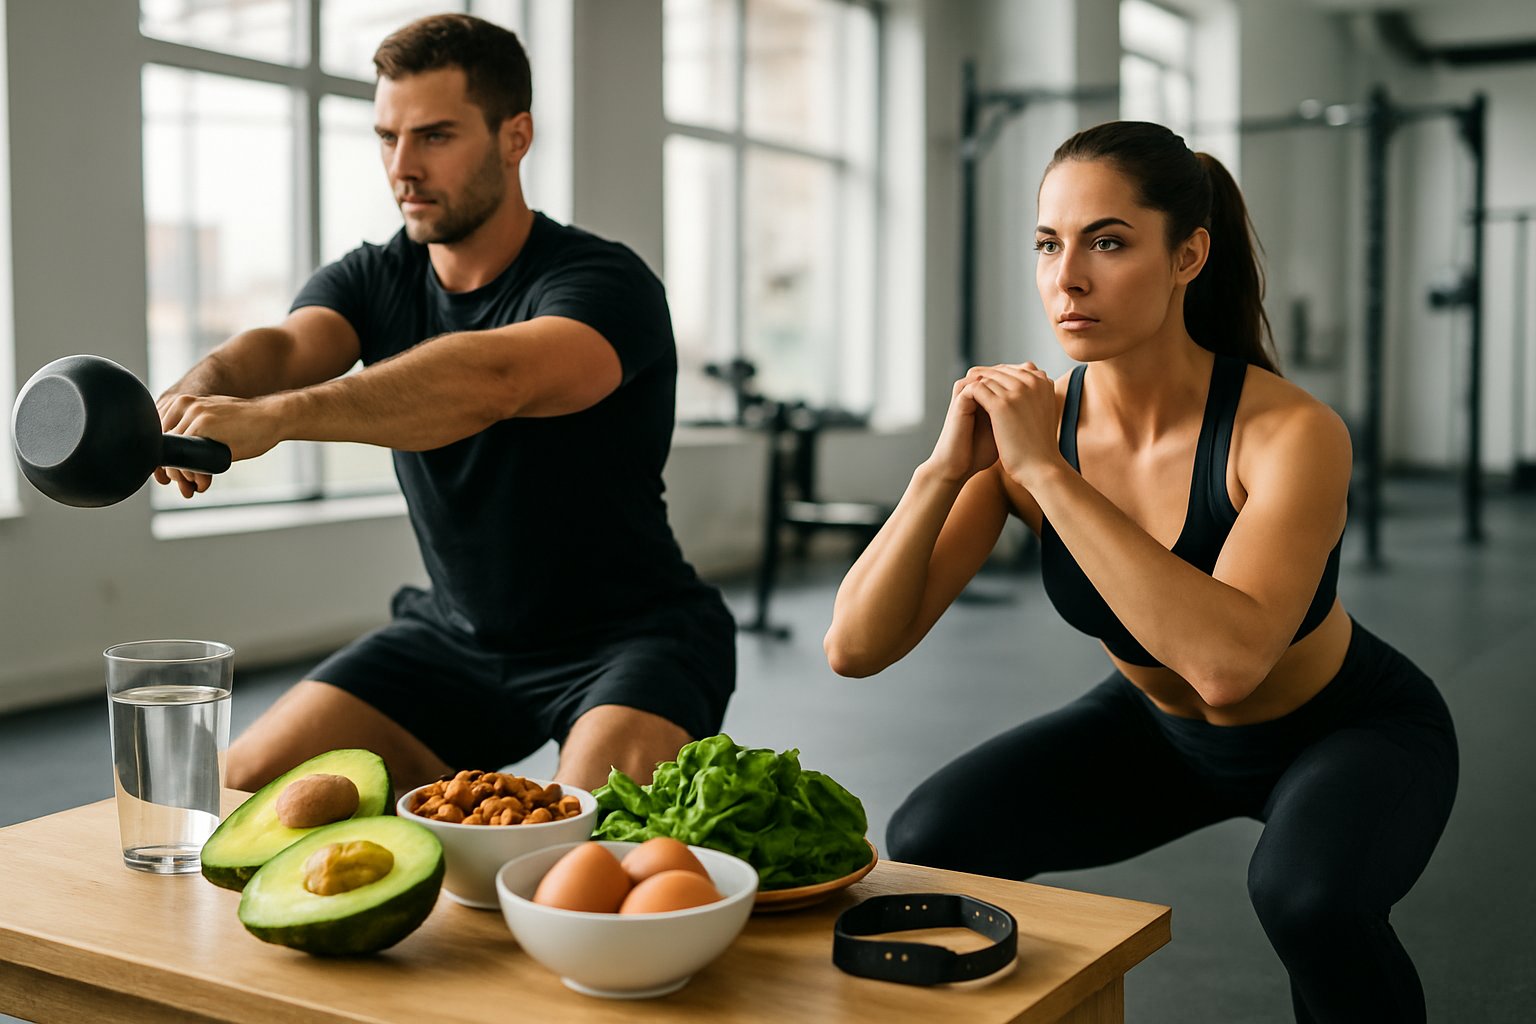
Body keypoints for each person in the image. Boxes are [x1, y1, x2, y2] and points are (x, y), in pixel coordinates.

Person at [824, 121, 1457, 1023]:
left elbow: (1228, 665)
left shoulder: (1287, 433)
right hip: (1158, 734)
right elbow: (854, 647)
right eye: (1049, 244)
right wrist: (940, 473)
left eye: (1108, 242)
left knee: (1310, 902)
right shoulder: (1026, 442)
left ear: (1188, 255)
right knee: (934, 837)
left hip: (1345, 730)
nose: (1067, 277)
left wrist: (1045, 471)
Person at [154, 14, 735, 795]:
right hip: (454, 639)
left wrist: (281, 416)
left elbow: (493, 380)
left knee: (572, 848)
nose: (402, 167)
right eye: (387, 138)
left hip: (632, 639)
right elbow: (288, 347)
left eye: (434, 137)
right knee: (243, 787)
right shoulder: (374, 276)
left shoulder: (604, 284)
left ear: (514, 136)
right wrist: (202, 385)